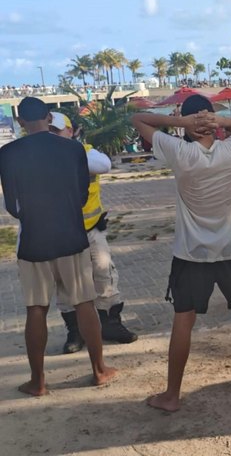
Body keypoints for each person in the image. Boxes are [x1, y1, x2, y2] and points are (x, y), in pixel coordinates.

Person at [131, 95, 231, 412]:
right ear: (212, 122)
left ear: (188, 123)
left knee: (183, 320)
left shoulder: (179, 151)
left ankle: (172, 396)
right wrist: (215, 121)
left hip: (191, 253)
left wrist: (181, 122)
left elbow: (137, 120)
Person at [1, 97, 117, 396]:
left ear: (20, 121)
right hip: (71, 236)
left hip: (34, 240)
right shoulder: (73, 148)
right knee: (84, 303)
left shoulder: (8, 153)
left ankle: (38, 381)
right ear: (48, 117)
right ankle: (99, 370)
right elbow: (82, 195)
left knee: (36, 309)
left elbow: (12, 205)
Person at [48, 112, 138, 354]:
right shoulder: (42, 158)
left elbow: (104, 165)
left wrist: (69, 154)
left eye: (57, 131)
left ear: (71, 132)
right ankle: (75, 332)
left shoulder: (87, 152)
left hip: (92, 230)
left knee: (104, 275)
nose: (52, 136)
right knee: (65, 283)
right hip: (61, 234)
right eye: (49, 131)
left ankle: (110, 325)